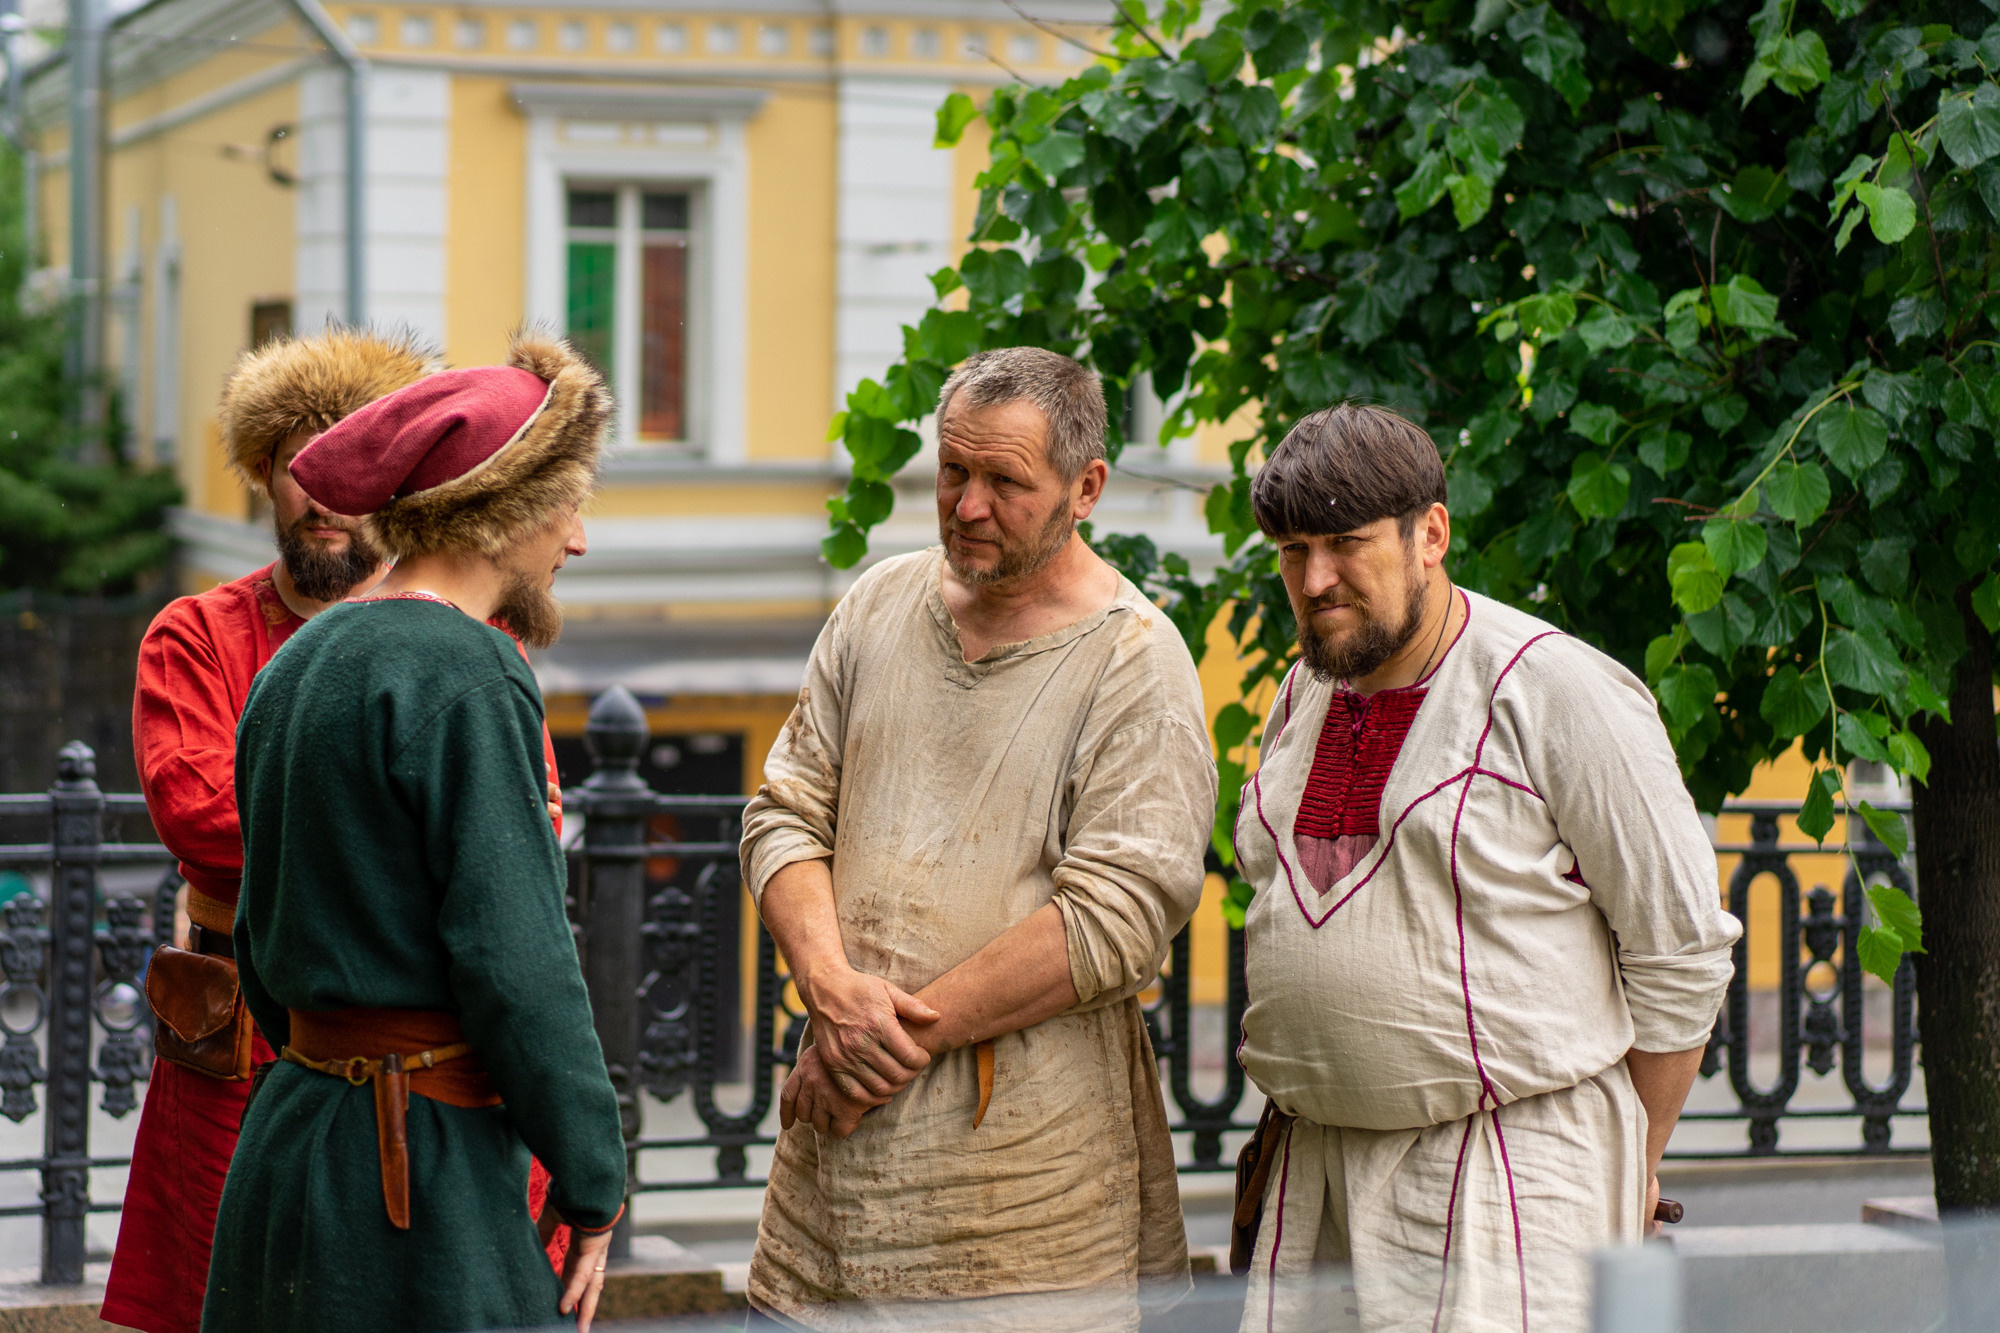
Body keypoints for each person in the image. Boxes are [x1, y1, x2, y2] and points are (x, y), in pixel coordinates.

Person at [1230, 404, 1743, 1333]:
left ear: (1431, 534)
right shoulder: (1303, 689)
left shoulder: (1555, 690)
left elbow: (1683, 953)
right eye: (1292, 549)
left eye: (1346, 542)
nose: (1315, 578)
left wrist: (1633, 1160)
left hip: (1508, 1183)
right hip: (1314, 1180)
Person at [740, 347, 1218, 1331]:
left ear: (1085, 487)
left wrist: (867, 1050)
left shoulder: (1135, 662)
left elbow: (1113, 919)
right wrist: (830, 989)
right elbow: (785, 811)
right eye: (953, 470)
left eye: (1005, 480)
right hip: (831, 1182)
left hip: (1021, 1196)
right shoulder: (877, 601)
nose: (964, 505)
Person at [202, 331, 627, 1332]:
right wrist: (593, 1174)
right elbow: (517, 960)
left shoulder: (302, 657)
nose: (575, 540)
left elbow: (261, 946)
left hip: (287, 1146)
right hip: (412, 1184)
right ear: (504, 511)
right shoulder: (468, 669)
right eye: (567, 505)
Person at [103, 328, 437, 1333]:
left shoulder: (462, 632)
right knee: (221, 1304)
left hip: (413, 1049)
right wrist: (397, 827)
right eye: (300, 464)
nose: (327, 493)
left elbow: (517, 824)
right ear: (262, 475)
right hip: (234, 1041)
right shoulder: (194, 635)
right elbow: (203, 820)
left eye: (357, 462)